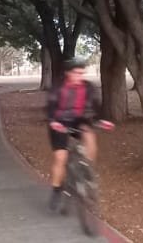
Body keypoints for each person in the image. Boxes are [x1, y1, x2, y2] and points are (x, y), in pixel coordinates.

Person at [46, 57, 113, 212]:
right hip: (59, 122)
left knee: (90, 136)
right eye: (76, 73)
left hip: (80, 120)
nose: (79, 76)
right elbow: (50, 107)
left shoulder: (88, 87)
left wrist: (101, 121)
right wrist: (53, 122)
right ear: (68, 73)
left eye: (82, 73)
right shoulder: (58, 88)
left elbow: (95, 107)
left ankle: (87, 170)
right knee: (60, 157)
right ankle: (57, 190)